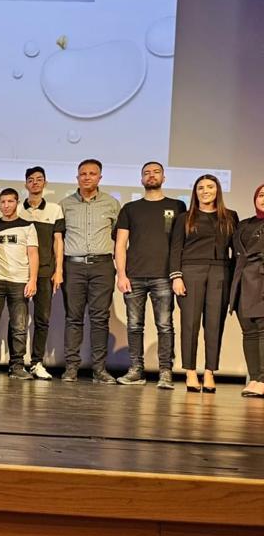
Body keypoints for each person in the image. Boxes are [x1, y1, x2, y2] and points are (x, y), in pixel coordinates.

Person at [114, 162, 185, 390]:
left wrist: (176, 275)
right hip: (134, 276)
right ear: (141, 179)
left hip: (164, 276)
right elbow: (120, 244)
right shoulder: (130, 208)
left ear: (164, 177)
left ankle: (165, 372)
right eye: (146, 173)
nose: (151, 176)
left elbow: (180, 243)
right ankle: (136, 370)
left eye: (156, 172)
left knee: (164, 325)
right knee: (134, 326)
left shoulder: (177, 206)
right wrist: (121, 274)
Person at [169, 174, 237, 392]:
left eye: (210, 187)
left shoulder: (230, 216)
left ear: (217, 190)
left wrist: (235, 280)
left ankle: (209, 372)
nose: (205, 191)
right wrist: (176, 276)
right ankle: (190, 372)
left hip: (220, 272)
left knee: (215, 324)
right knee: (190, 324)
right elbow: (175, 249)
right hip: (191, 272)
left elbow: (236, 251)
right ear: (195, 192)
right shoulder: (185, 217)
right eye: (200, 187)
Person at [60, 158, 121, 383]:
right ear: (77, 177)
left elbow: (119, 236)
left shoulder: (112, 204)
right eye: (83, 174)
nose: (87, 177)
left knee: (100, 319)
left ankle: (99, 369)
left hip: (102, 266)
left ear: (100, 177)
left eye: (92, 174)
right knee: (73, 318)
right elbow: (59, 239)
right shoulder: (65, 204)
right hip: (73, 266)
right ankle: (71, 368)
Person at [0, 189, 39, 379]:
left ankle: (16, 366)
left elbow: (33, 254)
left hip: (20, 281)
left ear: (17, 203)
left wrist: (32, 280)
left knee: (19, 327)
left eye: (10, 201)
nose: (6, 205)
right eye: (3, 202)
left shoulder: (28, 226)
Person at [17, 166, 64, 379]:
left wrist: (59, 270)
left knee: (42, 319)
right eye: (31, 179)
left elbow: (58, 241)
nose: (35, 182)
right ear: (26, 184)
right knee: (17, 320)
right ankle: (16, 363)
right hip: (20, 272)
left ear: (45, 183)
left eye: (39, 179)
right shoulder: (18, 209)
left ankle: (37, 362)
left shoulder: (54, 209)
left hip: (45, 271)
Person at [229, 183, 264, 398]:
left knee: (262, 330)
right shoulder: (244, 224)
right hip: (242, 283)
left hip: (261, 282)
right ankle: (254, 377)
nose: (263, 199)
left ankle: (263, 379)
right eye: (261, 195)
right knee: (249, 331)